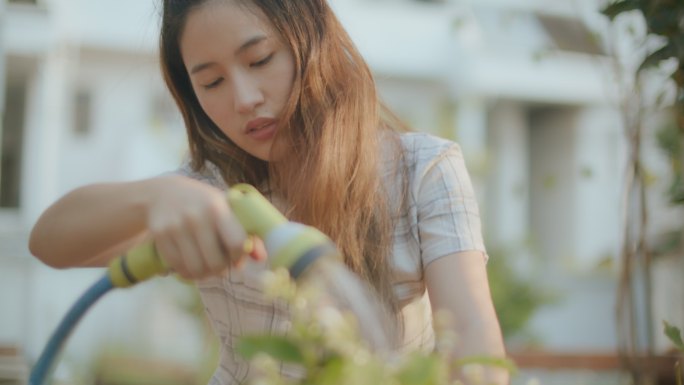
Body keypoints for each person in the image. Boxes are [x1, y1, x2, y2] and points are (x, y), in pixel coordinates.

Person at [29, 0, 508, 384]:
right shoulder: (211, 197)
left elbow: (473, 345)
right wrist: (156, 196)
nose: (243, 98)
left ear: (312, 40)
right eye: (211, 81)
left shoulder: (422, 170)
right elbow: (50, 240)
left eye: (260, 60)